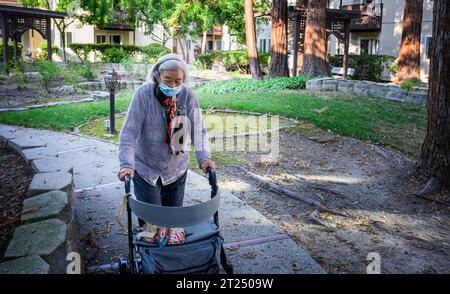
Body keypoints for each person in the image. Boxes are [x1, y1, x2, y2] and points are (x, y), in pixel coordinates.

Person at [117, 54, 215, 225]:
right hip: (147, 168)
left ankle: (170, 250)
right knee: (151, 221)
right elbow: (128, 133)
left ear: (184, 79)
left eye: (178, 80)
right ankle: (150, 251)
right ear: (157, 76)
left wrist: (204, 158)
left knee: (172, 220)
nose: (173, 85)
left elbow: (199, 130)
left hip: (176, 168)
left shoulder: (187, 95)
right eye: (167, 79)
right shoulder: (143, 95)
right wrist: (126, 164)